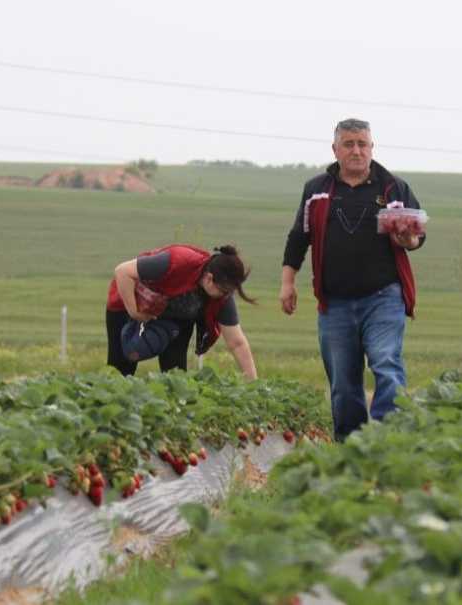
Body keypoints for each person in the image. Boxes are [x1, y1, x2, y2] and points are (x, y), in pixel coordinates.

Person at [280, 118, 425, 441]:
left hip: (384, 297)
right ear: (335, 150)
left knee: (386, 364)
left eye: (363, 144)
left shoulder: (393, 188)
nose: (357, 151)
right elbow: (298, 237)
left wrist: (408, 239)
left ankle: (388, 442)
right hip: (334, 302)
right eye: (349, 144)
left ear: (372, 148)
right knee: (344, 385)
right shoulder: (317, 190)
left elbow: (417, 237)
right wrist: (287, 282)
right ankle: (351, 452)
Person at [106, 244, 258, 380]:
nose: (225, 296)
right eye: (224, 291)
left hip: (174, 321)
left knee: (175, 377)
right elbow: (122, 271)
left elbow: (237, 342)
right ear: (209, 279)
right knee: (121, 370)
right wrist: (134, 312)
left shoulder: (222, 296)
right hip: (131, 303)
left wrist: (253, 383)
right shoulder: (178, 261)